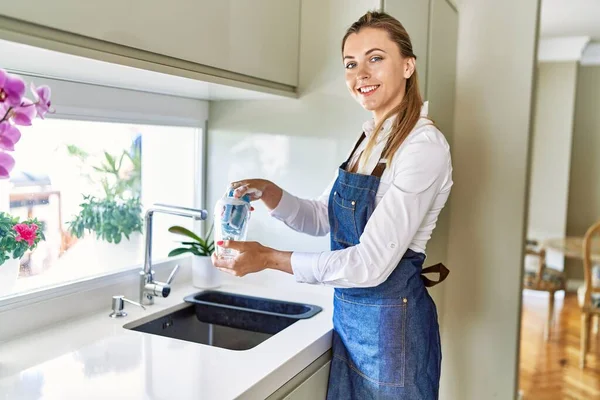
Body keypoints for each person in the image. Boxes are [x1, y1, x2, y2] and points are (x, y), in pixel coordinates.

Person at [212, 10, 453, 400]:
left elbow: (370, 264)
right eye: (350, 64)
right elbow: (323, 217)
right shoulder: (368, 140)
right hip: (352, 325)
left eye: (376, 58)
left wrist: (268, 258)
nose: (361, 74)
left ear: (408, 66)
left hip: (393, 335)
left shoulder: (422, 146)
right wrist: (270, 191)